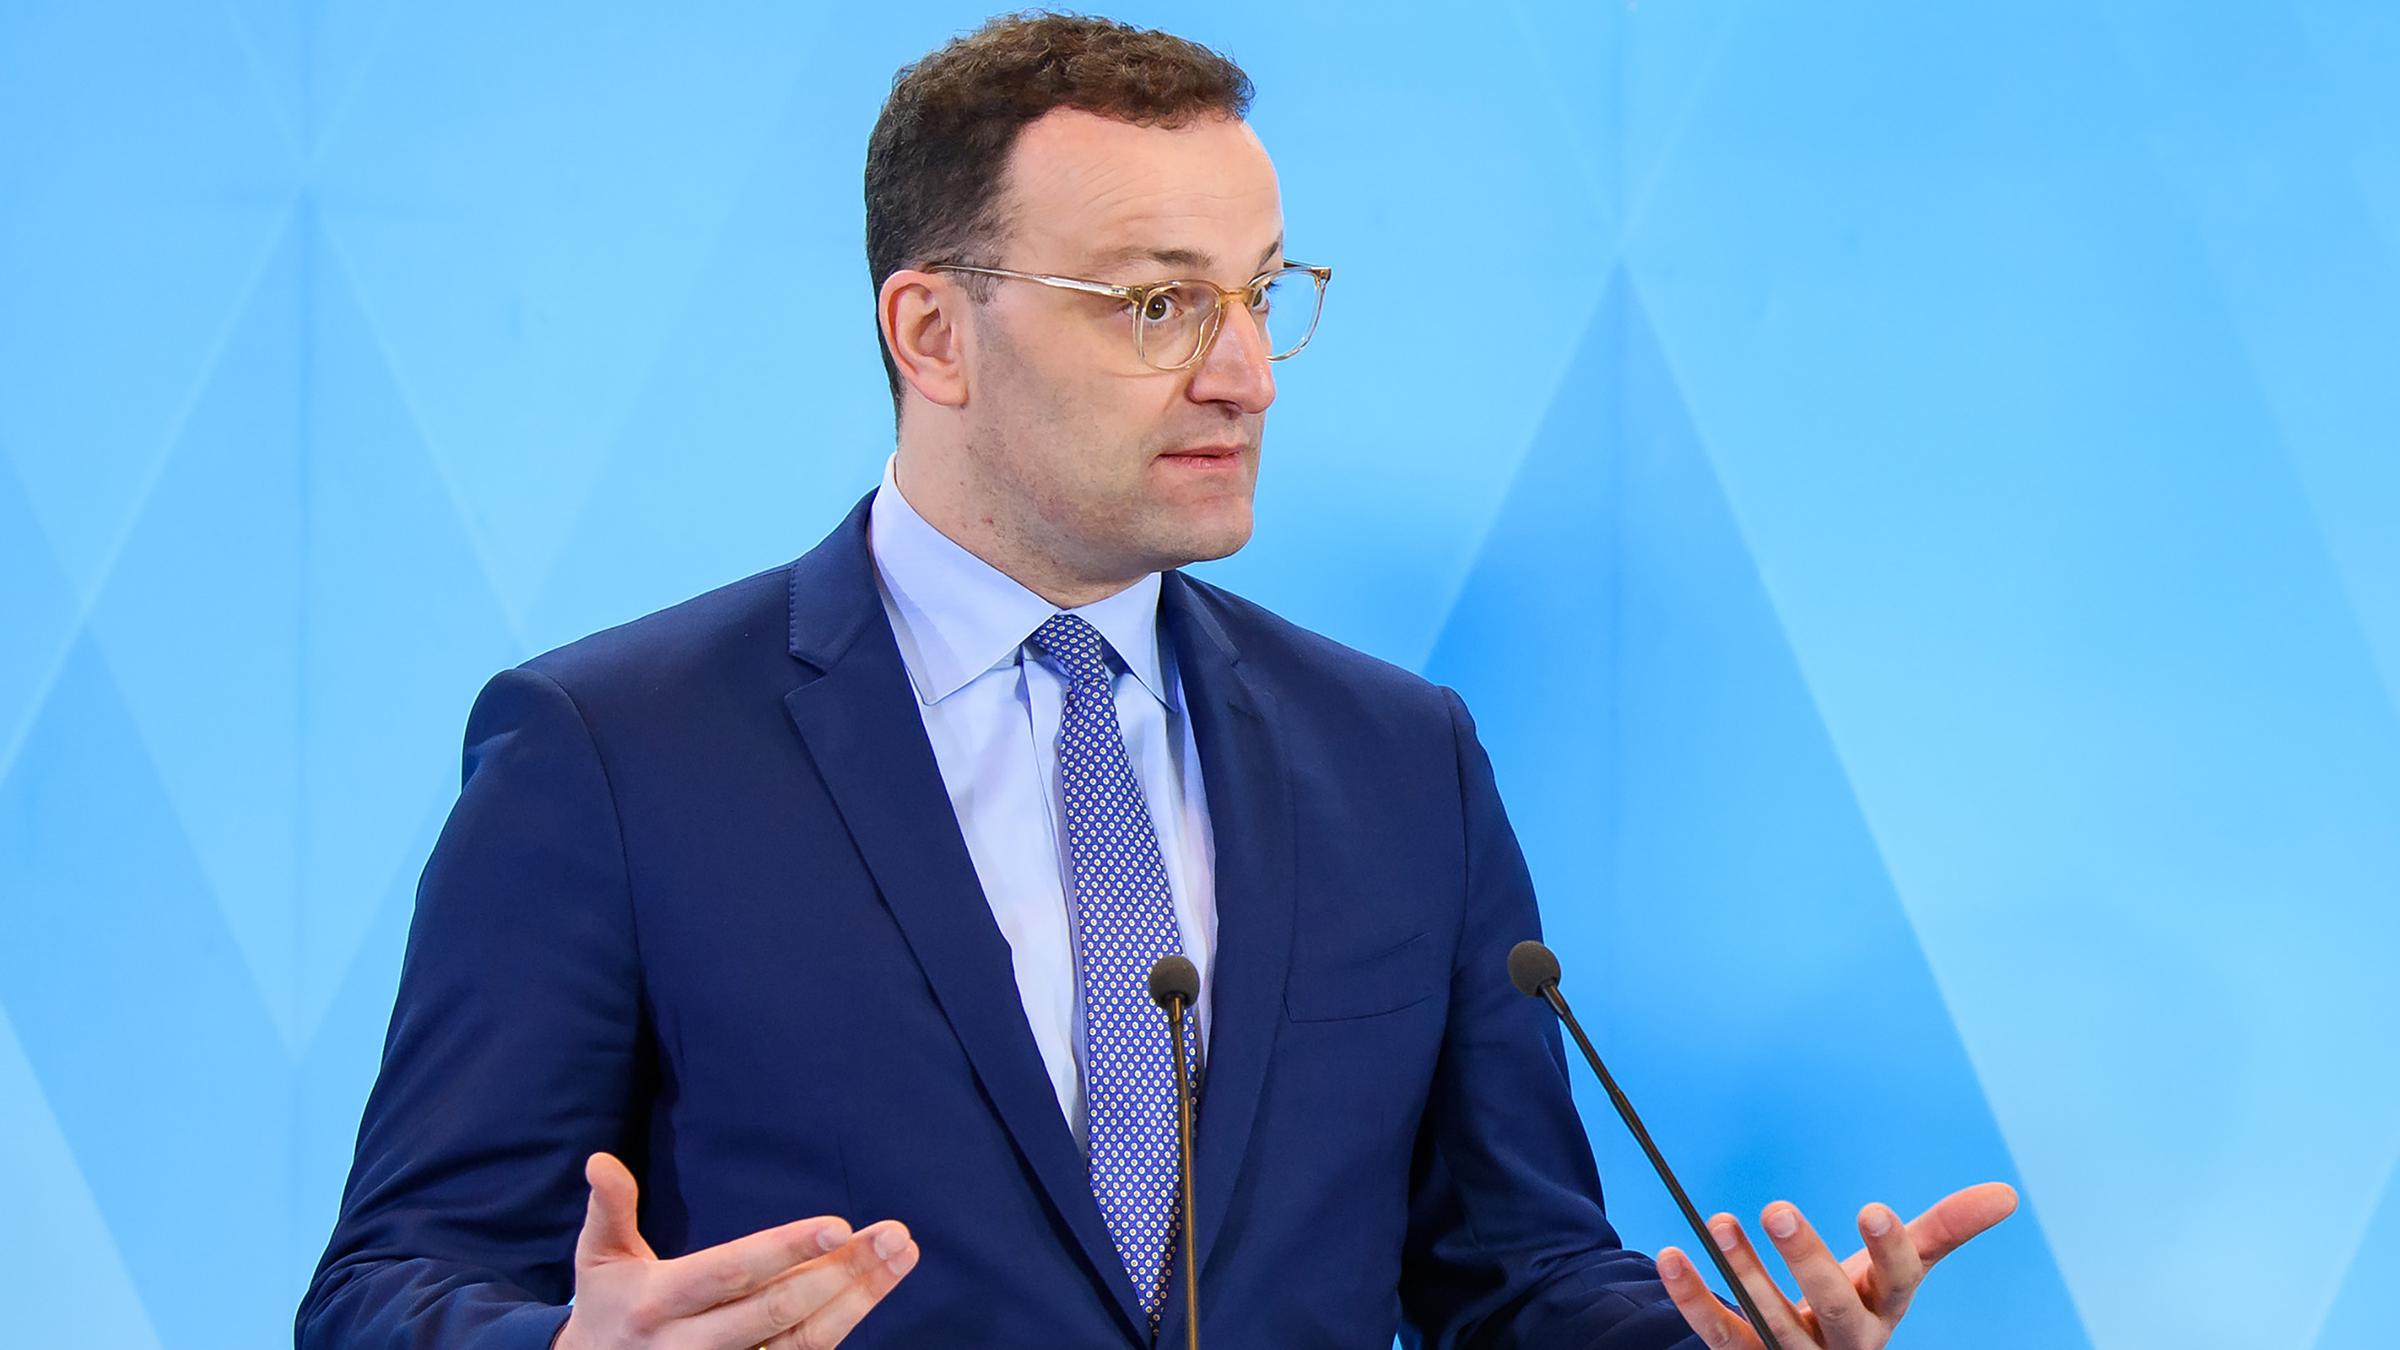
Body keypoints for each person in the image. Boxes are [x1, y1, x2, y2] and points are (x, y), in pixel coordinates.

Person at [298, 13, 2016, 1349]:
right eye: (1156, 307)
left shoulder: (1399, 757)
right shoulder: (613, 750)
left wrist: (1699, 1339)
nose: (1247, 373)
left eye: (1262, 295)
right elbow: (387, 1286)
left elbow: (1510, 1271)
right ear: (932, 333)